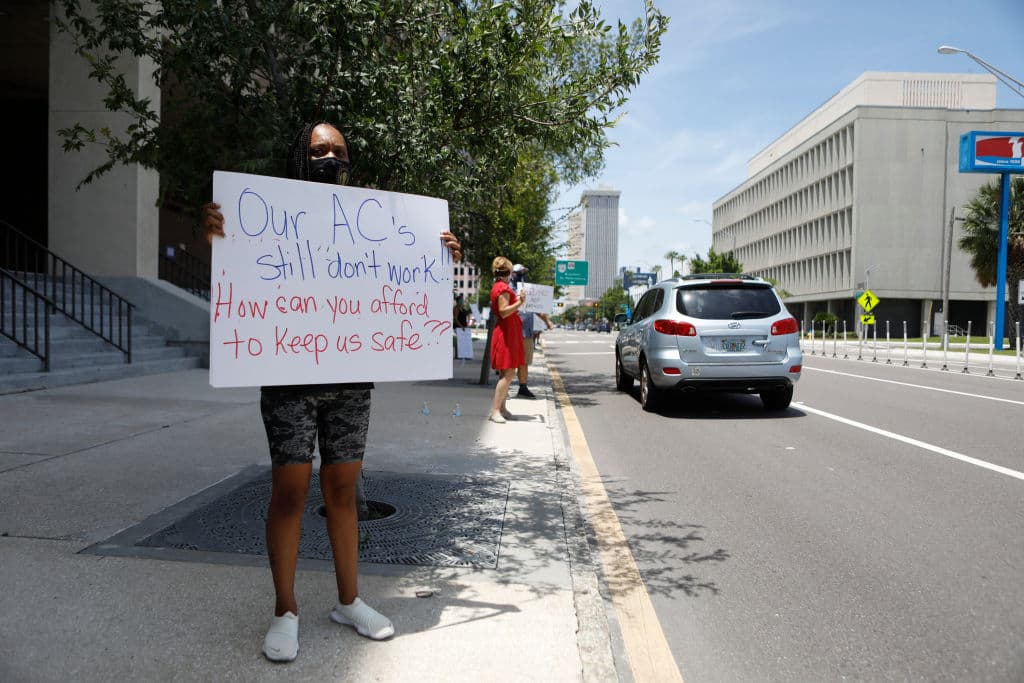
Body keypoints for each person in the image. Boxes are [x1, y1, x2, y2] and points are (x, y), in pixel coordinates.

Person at [204, 121, 462, 663]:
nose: (328, 157)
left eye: (338, 151)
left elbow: (401, 278)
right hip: (288, 380)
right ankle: (286, 609)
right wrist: (217, 235)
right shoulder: (262, 215)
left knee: (343, 492)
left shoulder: (374, 224)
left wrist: (439, 257)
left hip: (350, 380)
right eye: (319, 149)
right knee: (292, 493)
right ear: (301, 155)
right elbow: (241, 271)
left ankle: (349, 600)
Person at [488, 256, 526, 423]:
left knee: (506, 372)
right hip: (506, 334)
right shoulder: (503, 288)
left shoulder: (500, 286)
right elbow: (504, 311)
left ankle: (501, 408)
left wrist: (517, 300)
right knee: (509, 372)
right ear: (509, 272)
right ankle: (496, 410)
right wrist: (520, 302)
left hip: (507, 332)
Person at [510, 264, 553, 399]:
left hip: (527, 331)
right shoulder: (509, 289)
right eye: (520, 273)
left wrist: (547, 321)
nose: (523, 275)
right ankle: (504, 389)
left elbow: (537, 308)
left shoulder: (529, 290)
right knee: (509, 362)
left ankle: (523, 387)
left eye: (524, 272)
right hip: (512, 330)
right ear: (513, 274)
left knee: (524, 361)